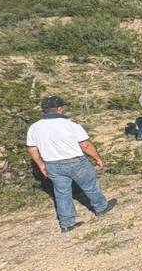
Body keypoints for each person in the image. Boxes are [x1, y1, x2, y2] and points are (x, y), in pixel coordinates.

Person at [26, 96, 117, 232]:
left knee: (62, 193)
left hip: (52, 164)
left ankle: (67, 223)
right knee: (89, 186)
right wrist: (98, 158)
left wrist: (41, 165)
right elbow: (85, 145)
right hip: (75, 161)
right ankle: (101, 208)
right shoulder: (71, 124)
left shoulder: (34, 127)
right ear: (60, 109)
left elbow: (32, 149)